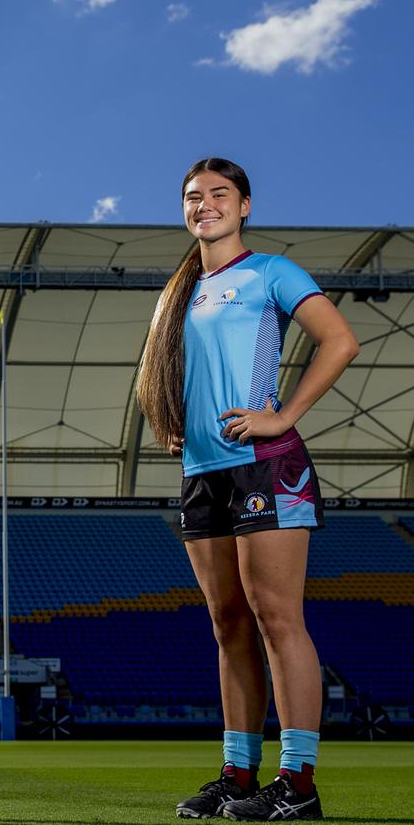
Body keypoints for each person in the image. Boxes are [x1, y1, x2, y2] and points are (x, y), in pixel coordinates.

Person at [137, 158, 359, 821]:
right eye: (193, 196)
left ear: (245, 206)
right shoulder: (181, 291)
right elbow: (182, 370)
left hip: (266, 464)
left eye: (218, 195)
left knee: (275, 617)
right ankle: (238, 773)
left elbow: (340, 340)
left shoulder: (271, 272)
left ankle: (299, 781)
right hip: (202, 472)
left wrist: (282, 414)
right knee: (229, 623)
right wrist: (175, 421)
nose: (204, 204)